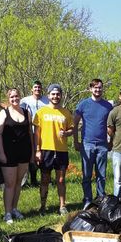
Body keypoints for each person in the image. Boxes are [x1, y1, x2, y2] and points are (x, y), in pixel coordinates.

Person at [33, 83, 73, 215]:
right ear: (48, 95)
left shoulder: (66, 112)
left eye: (58, 94)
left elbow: (71, 129)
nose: (56, 96)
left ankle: (62, 206)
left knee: (61, 180)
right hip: (46, 150)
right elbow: (36, 133)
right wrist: (37, 150)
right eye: (53, 94)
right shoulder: (41, 113)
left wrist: (67, 133)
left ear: (61, 95)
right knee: (45, 179)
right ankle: (43, 206)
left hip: (61, 150)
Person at [0, 88, 34, 224]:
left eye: (16, 96)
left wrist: (33, 153)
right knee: (10, 184)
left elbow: (30, 133)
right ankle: (7, 213)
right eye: (12, 97)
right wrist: (1, 153)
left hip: (24, 152)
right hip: (8, 152)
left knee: (19, 182)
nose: (14, 99)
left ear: (20, 97)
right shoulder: (4, 113)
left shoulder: (26, 113)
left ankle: (14, 209)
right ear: (8, 99)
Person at [73, 79, 113, 209]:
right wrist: (76, 141)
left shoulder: (107, 106)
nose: (98, 90)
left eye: (100, 87)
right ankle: (87, 199)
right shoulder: (83, 104)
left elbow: (111, 126)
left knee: (101, 175)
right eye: (95, 87)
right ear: (90, 89)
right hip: (87, 144)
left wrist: (110, 142)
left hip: (102, 145)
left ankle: (100, 198)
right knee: (87, 175)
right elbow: (74, 124)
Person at [20, 80, 49, 187]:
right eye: (35, 87)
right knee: (30, 156)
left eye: (39, 87)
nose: (37, 89)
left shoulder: (47, 101)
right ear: (31, 89)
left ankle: (43, 178)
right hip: (29, 132)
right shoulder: (25, 100)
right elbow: (14, 109)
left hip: (44, 132)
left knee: (42, 156)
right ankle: (28, 180)